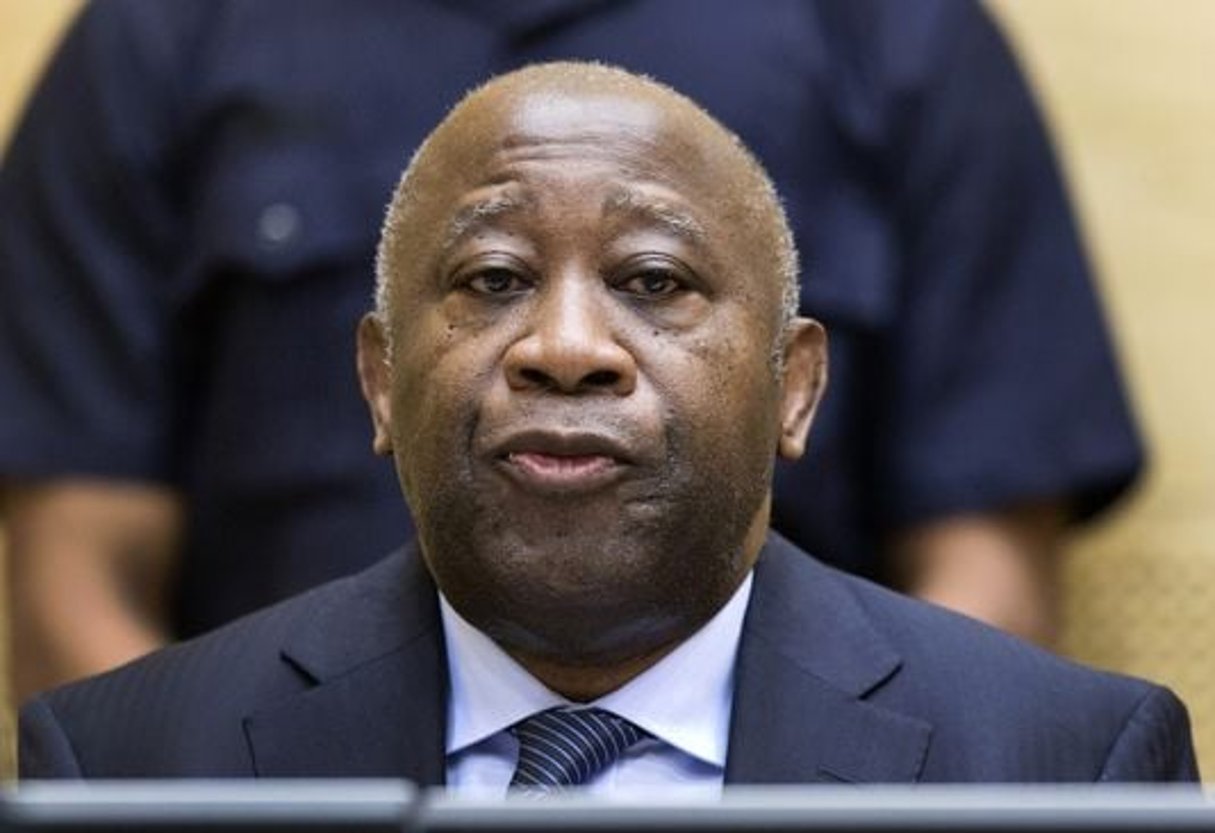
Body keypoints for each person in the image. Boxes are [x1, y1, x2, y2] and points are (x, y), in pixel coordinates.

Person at [19, 64, 1196, 786]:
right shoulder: (126, 765)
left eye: (653, 280)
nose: (567, 346)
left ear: (796, 387)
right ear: (379, 381)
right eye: (488, 279)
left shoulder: (1064, 763)